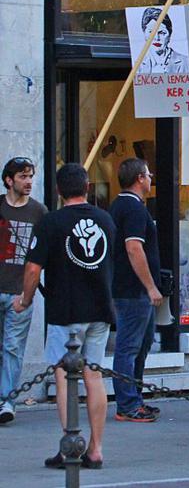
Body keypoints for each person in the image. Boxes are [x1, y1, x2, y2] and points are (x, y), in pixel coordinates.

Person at [14, 163, 115, 469]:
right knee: (94, 377)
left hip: (66, 310)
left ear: (58, 190)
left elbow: (33, 268)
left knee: (63, 377)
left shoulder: (51, 222)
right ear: (87, 188)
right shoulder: (105, 219)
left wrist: (25, 299)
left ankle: (71, 446)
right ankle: (96, 449)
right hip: (99, 308)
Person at [110, 158, 163, 423]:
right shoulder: (132, 208)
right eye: (148, 174)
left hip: (132, 289)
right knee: (129, 346)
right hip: (134, 290)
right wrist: (151, 287)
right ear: (140, 178)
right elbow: (133, 248)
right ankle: (127, 404)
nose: (151, 178)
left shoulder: (121, 205)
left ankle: (134, 398)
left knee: (141, 344)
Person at [0, 156, 47, 425]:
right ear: (9, 180)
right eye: (23, 177)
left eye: (30, 176)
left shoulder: (39, 212)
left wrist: (28, 295)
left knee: (13, 348)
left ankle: (6, 402)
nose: (28, 182)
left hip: (19, 292)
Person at [138, 7, 189, 74]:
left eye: (162, 33)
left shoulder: (186, 62)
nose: (157, 38)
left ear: (169, 36)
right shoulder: (138, 65)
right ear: (144, 34)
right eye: (151, 32)